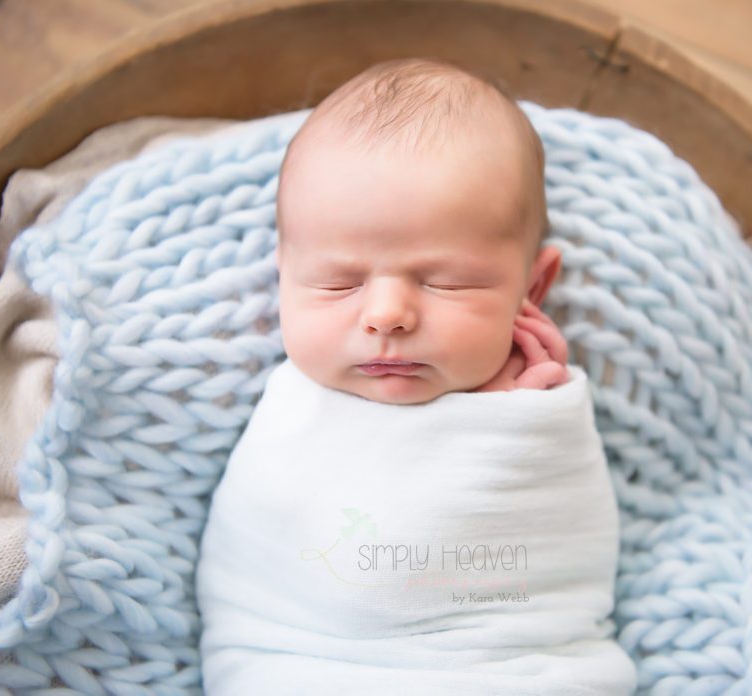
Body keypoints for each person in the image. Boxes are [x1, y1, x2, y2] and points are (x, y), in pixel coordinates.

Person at [196, 58, 637, 695]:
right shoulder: (290, 409)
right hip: (297, 664)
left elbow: (556, 548)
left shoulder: (536, 413)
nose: (386, 316)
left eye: (446, 282)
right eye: (337, 282)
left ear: (531, 287)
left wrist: (526, 423)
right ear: (282, 274)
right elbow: (263, 554)